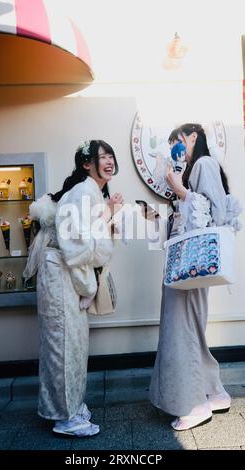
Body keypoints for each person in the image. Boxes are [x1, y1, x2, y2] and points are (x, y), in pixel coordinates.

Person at [23, 140, 123, 437]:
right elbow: (76, 245)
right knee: (64, 343)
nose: (108, 161)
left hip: (65, 271)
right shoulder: (82, 192)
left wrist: (109, 213)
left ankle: (72, 404)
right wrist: (88, 286)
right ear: (86, 164)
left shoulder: (90, 192)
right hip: (60, 270)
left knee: (74, 341)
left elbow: (85, 241)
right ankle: (65, 416)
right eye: (102, 157)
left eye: (111, 156)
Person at [149, 123, 242, 431]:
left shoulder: (203, 163)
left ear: (192, 137)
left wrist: (180, 190)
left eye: (178, 140)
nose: (177, 148)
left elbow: (214, 216)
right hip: (192, 263)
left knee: (181, 329)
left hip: (189, 263)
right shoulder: (199, 166)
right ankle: (214, 392)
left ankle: (193, 403)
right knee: (192, 329)